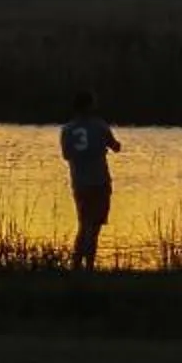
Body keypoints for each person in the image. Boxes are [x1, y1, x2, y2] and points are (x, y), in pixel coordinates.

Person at [60, 92, 122, 269]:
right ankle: (89, 267)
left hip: (79, 183)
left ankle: (76, 265)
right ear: (89, 106)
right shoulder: (100, 126)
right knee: (94, 229)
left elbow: (66, 155)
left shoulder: (67, 130)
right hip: (100, 181)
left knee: (83, 225)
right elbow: (115, 147)